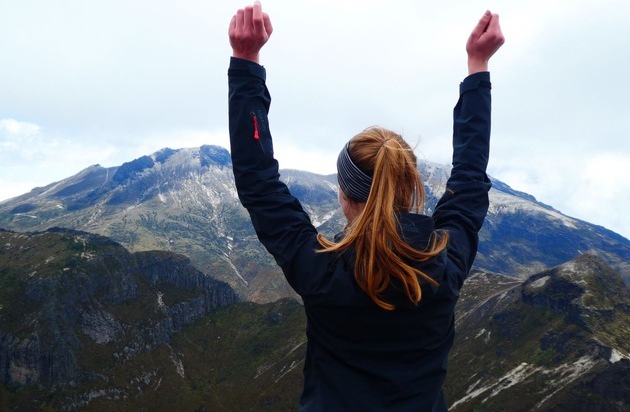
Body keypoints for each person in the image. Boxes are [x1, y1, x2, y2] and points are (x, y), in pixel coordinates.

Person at [227, 2, 504, 411]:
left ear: (345, 195)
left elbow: (258, 183)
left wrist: (246, 60)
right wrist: (477, 67)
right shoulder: (443, 265)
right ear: (409, 187)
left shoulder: (323, 269)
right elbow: (469, 180)